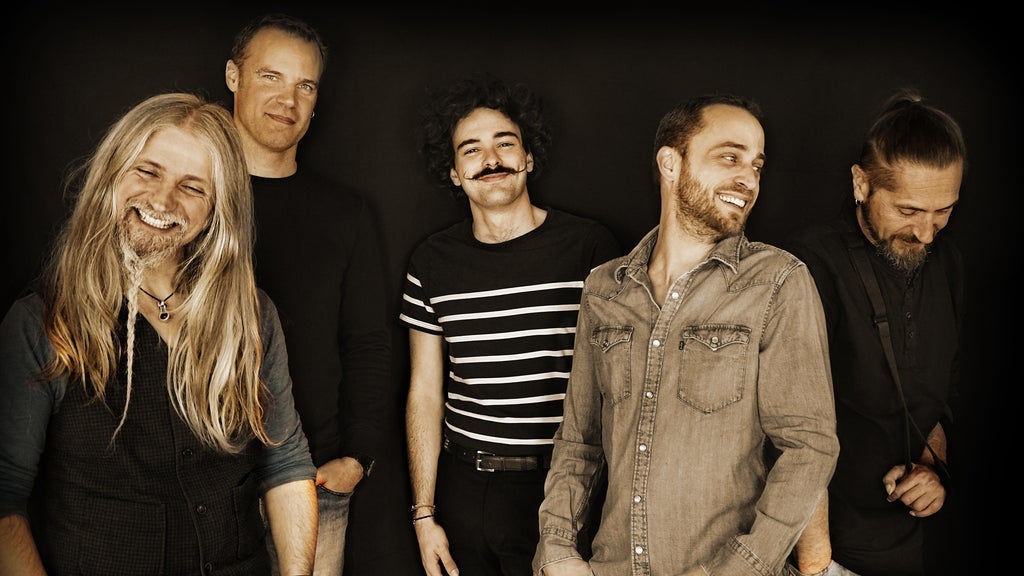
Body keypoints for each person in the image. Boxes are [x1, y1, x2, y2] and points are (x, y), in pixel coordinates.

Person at [0, 92, 317, 576]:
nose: (163, 201)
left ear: (217, 209)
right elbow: (4, 496)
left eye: (192, 187)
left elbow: (287, 465)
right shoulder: (41, 322)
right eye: (147, 172)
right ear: (112, 174)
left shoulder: (252, 315)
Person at [533, 94, 840, 576]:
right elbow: (578, 439)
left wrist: (739, 569)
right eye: (730, 157)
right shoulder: (605, 289)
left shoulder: (777, 281)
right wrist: (557, 547)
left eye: (757, 166)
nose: (748, 179)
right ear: (670, 163)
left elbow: (809, 448)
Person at [400, 73, 621, 576]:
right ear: (454, 172)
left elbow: (618, 384)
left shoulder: (589, 248)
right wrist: (424, 514)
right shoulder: (431, 262)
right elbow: (425, 393)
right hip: (464, 488)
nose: (491, 159)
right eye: (471, 149)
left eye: (505, 143)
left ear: (528, 157)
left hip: (563, 489)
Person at [225, 13, 394, 576]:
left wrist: (359, 457)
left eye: (305, 85)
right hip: (200, 480)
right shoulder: (191, 198)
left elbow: (367, 342)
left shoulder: (345, 212)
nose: (288, 100)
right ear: (233, 76)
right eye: (270, 76)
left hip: (312, 478)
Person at [783, 89, 965, 576]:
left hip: (899, 546)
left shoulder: (946, 261)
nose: (927, 233)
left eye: (944, 211)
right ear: (861, 183)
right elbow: (789, 430)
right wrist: (816, 564)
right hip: (819, 552)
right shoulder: (807, 264)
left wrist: (932, 469)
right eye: (908, 211)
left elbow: (938, 394)